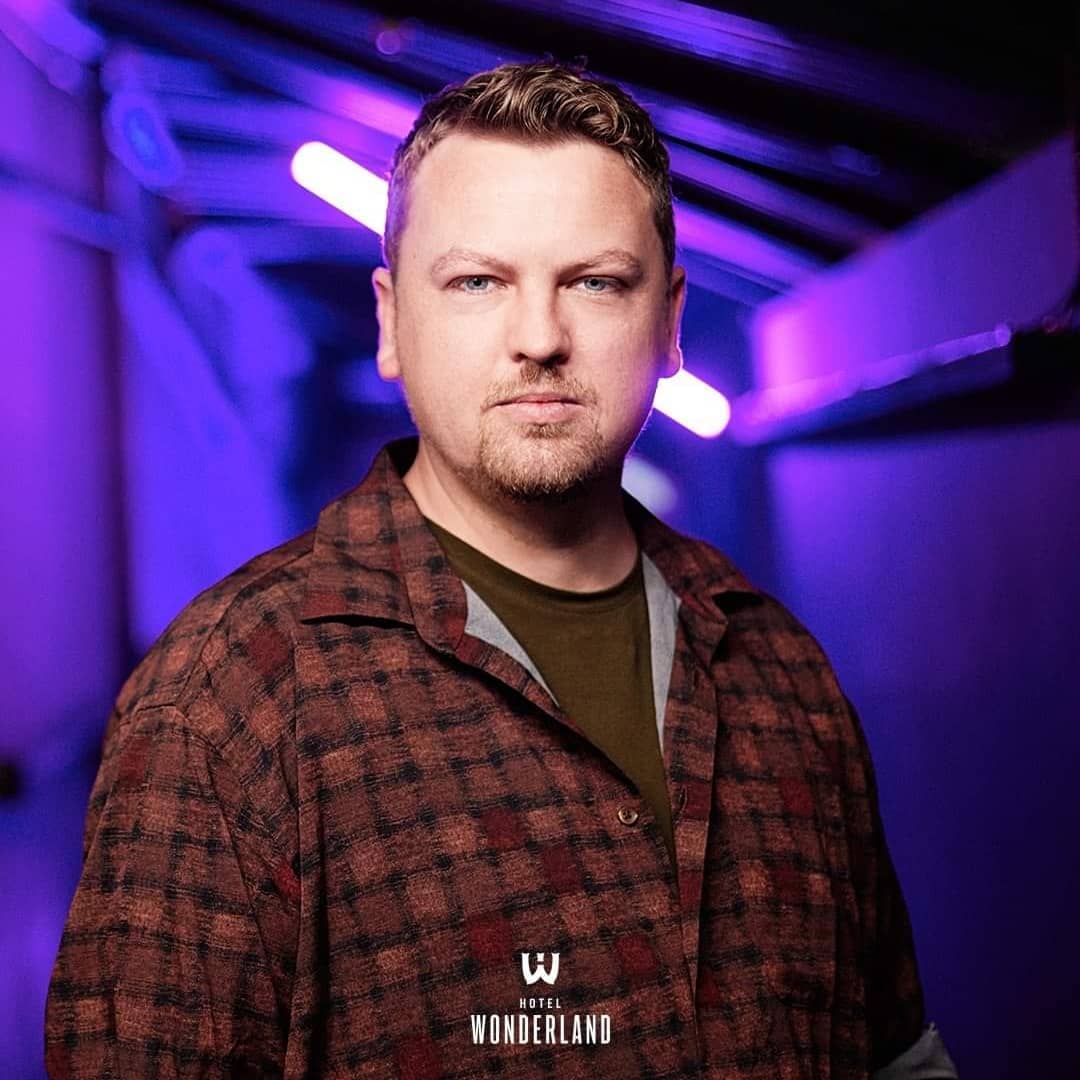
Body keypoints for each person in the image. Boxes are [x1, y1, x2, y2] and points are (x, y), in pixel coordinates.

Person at [45, 60, 959, 1079]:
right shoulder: (226, 700)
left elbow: (898, 1058)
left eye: (595, 282)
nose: (539, 339)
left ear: (669, 323)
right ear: (391, 322)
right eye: (478, 282)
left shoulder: (782, 669)